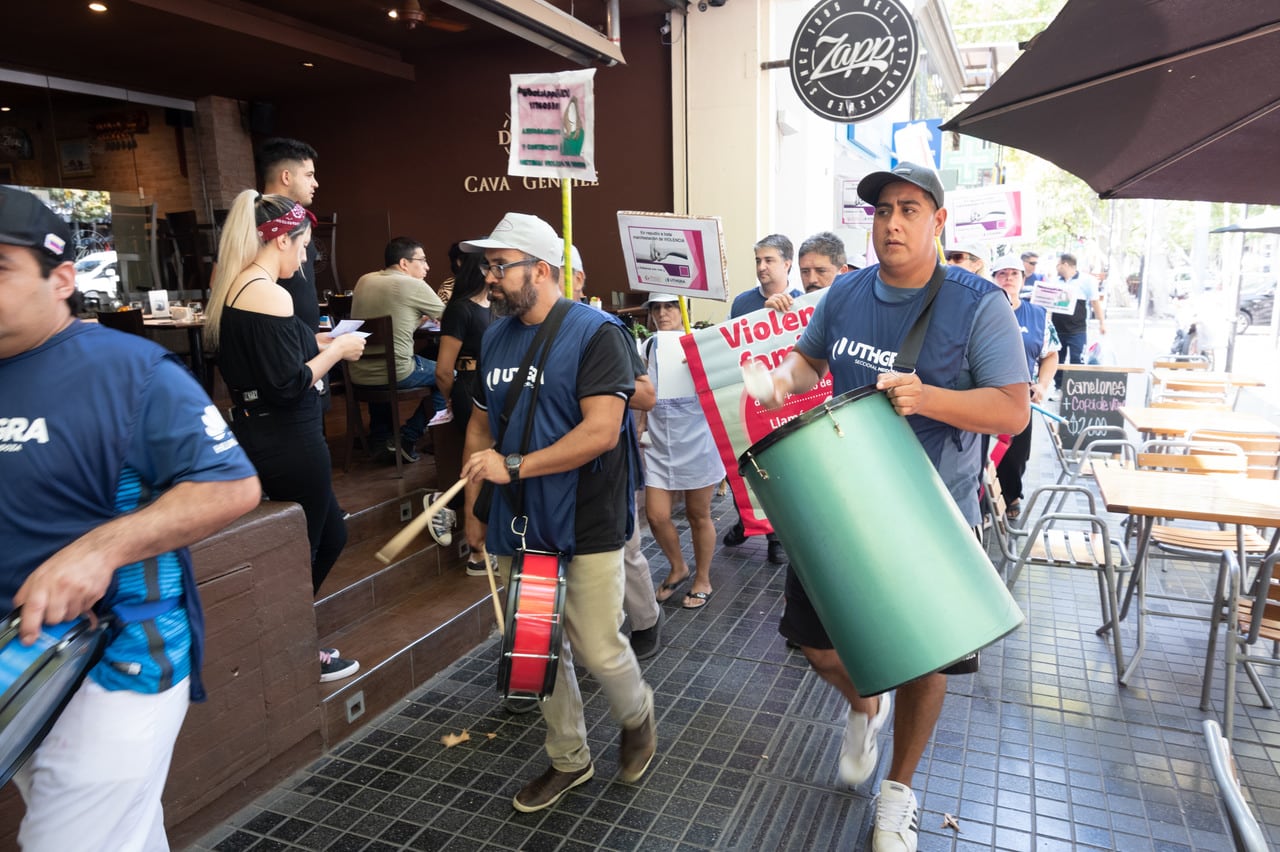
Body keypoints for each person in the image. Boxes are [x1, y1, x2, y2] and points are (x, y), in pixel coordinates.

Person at [753, 163, 1029, 852]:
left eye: (909, 209)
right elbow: (808, 366)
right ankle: (862, 702)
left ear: (938, 222)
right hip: (839, 506)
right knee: (813, 644)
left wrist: (925, 395)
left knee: (923, 663)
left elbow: (1013, 411)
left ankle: (898, 793)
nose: (892, 222)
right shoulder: (844, 294)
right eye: (881, 211)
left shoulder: (977, 303)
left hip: (930, 517)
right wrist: (775, 384)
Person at [0, 185, 262, 850]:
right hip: (15, 664)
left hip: (111, 664)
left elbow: (229, 485)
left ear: (61, 278)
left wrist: (99, 550)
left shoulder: (131, 371)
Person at [460, 212, 655, 813]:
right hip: (523, 519)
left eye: (500, 266)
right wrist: (476, 511)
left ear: (540, 270)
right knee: (536, 647)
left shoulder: (599, 334)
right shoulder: (493, 335)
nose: (489, 278)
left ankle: (638, 713)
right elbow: (481, 427)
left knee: (597, 646)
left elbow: (600, 432)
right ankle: (568, 758)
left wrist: (512, 468)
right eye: (487, 266)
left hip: (587, 518)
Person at [207, 190, 366, 683]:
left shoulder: (240, 286)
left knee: (330, 533)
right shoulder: (269, 293)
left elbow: (278, 355)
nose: (303, 259)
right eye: (303, 247)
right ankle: (289, 646)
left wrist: (319, 342)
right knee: (307, 544)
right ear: (281, 240)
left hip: (266, 434)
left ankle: (287, 636)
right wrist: (337, 351)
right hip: (288, 438)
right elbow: (288, 383)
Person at [642, 293, 726, 612]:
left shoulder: (702, 344)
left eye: (670, 306)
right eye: (657, 308)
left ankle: (702, 578)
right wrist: (639, 428)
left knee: (698, 514)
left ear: (683, 310)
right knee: (656, 515)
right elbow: (640, 388)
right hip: (660, 446)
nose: (663, 313)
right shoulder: (647, 346)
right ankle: (678, 567)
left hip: (698, 442)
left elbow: (720, 386)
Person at [723, 235, 798, 563]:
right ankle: (747, 519)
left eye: (768, 260)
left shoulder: (804, 302)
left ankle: (775, 535)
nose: (762, 267)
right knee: (747, 463)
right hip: (747, 400)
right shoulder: (742, 303)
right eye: (758, 261)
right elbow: (727, 348)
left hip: (789, 402)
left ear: (787, 264)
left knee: (781, 467)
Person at [350, 236, 450, 464]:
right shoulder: (413, 285)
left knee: (395, 360)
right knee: (451, 376)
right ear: (404, 263)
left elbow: (389, 326)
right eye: (422, 260)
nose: (427, 267)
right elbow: (451, 319)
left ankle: (381, 439)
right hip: (397, 371)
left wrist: (414, 317)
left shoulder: (364, 280)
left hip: (358, 372)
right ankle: (406, 437)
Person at [257, 138, 329, 413]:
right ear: (286, 176)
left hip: (306, 341)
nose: (316, 183)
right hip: (282, 352)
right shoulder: (255, 220)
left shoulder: (299, 220)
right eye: (309, 175)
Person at [990, 254, 1059, 518]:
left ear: (1023, 278)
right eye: (1002, 274)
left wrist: (1042, 385)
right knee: (985, 450)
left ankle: (1011, 496)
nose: (1008, 278)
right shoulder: (978, 310)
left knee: (1017, 453)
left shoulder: (1038, 316)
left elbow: (1050, 354)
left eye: (1014, 274)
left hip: (1022, 398)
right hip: (985, 394)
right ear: (993, 278)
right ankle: (986, 500)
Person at [1051, 252, 1106, 384]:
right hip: (1057, 328)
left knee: (1077, 359)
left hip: (1077, 329)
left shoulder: (1087, 281)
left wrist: (1102, 323)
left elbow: (1095, 302)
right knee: (1057, 359)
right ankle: (1059, 386)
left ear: (1065, 264)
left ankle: (1075, 388)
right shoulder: (1054, 282)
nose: (1056, 268)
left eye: (1057, 265)